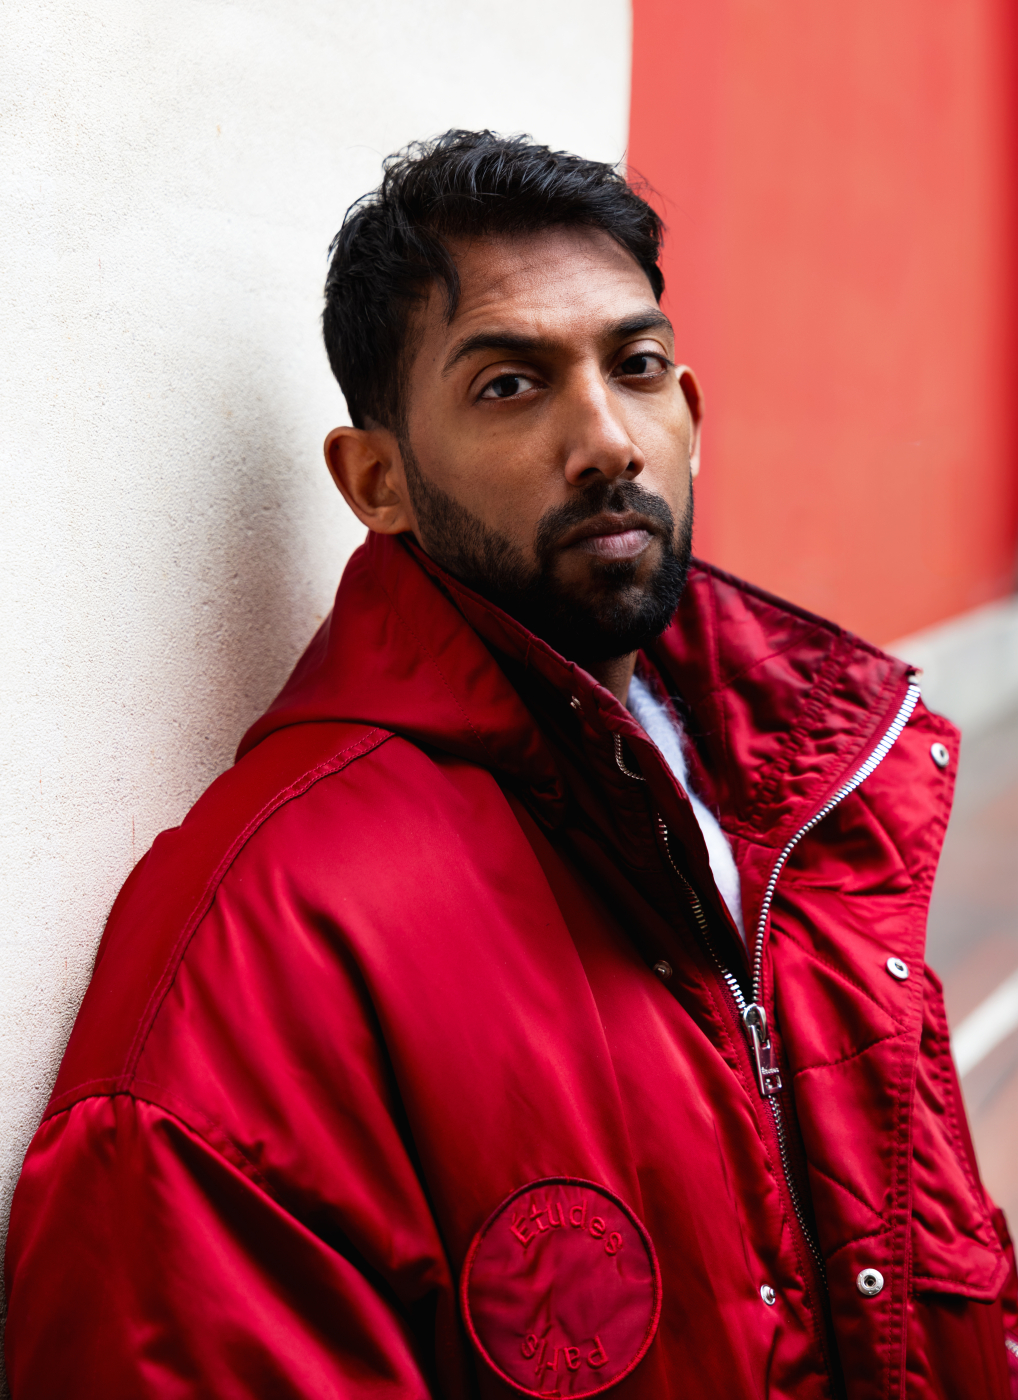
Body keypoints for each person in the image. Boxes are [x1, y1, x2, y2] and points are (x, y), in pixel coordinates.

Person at [5, 130, 1016, 1400]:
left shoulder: (797, 787)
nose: (606, 440)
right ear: (377, 481)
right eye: (508, 385)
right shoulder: (265, 943)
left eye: (634, 367)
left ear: (691, 415)